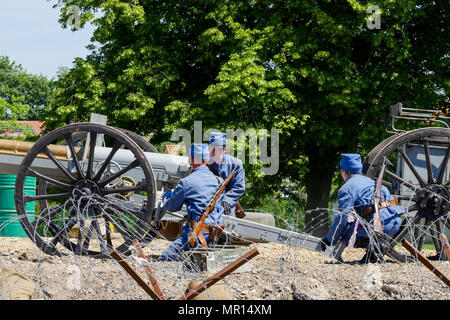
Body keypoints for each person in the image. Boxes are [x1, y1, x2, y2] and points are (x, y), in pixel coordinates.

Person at [321, 153, 405, 263]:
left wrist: (330, 239)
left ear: (343, 172)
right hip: (395, 221)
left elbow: (343, 218)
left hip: (380, 224)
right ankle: (375, 250)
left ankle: (374, 250)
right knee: (361, 224)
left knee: (346, 231)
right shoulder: (371, 182)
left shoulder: (347, 188)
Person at [158, 143, 225, 261]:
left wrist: (166, 194)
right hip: (214, 235)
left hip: (196, 236)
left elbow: (172, 206)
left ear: (192, 159)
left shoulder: (186, 182)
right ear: (208, 158)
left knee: (164, 259)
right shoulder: (218, 181)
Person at [207, 132, 246, 217]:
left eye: (218, 149)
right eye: (212, 149)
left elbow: (239, 187)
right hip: (206, 204)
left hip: (227, 206)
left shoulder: (236, 164)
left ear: (225, 150)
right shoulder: (204, 163)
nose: (215, 152)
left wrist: (227, 200)